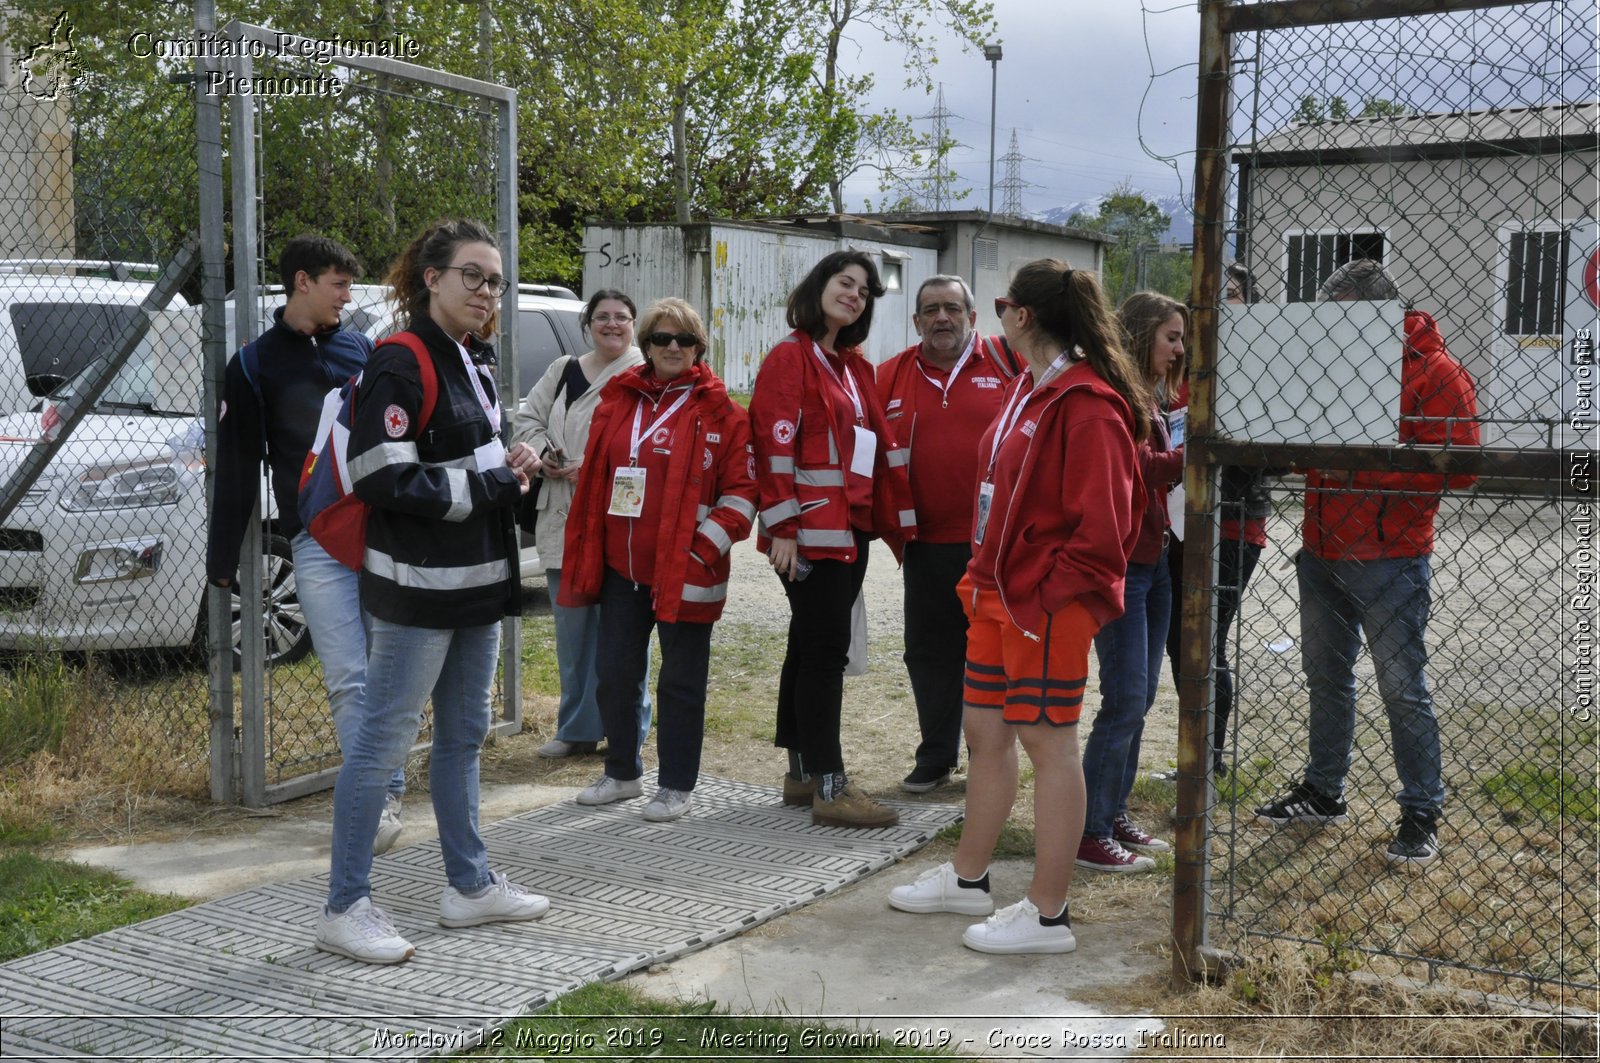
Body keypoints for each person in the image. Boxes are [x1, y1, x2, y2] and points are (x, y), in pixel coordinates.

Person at [888, 259, 1149, 953]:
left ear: (1022, 315)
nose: (996, 313)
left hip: (1042, 604)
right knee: (985, 734)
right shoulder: (1030, 389)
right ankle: (969, 877)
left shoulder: (1088, 402)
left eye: (1002, 302)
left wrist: (1048, 597)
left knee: (1048, 745)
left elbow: (1103, 533)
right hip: (999, 595)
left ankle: (1047, 913)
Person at [316, 219, 548, 964]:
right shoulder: (400, 358)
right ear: (431, 278)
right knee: (383, 745)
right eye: (473, 276)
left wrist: (510, 459)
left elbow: (461, 454)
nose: (487, 292)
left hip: (477, 586)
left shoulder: (471, 358)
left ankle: (469, 886)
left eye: (496, 280)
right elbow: (382, 474)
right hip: (419, 593)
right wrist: (487, 481)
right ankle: (345, 904)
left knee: (462, 737)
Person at [1254, 259, 1478, 867]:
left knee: (1402, 688)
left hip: (1392, 555)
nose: (1330, 330)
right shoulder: (1336, 362)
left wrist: (1359, 465)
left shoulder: (1436, 371)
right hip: (1322, 548)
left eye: (1341, 318)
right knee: (1326, 677)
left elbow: (1462, 464)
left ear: (1377, 313)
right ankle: (1324, 791)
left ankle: (1421, 810)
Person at [205, 234, 407, 856]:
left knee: (386, 668)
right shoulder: (252, 365)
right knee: (348, 674)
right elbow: (238, 463)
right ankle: (374, 803)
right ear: (302, 282)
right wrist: (220, 560)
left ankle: (386, 787)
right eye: (339, 284)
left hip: (380, 531)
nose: (349, 296)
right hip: (314, 540)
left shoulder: (364, 350)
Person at [558, 299, 758, 822]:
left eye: (685, 341)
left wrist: (700, 549)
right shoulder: (618, 400)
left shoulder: (724, 413)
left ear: (699, 349)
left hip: (688, 572)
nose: (673, 348)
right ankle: (622, 772)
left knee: (680, 681)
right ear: (645, 345)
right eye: (662, 339)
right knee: (615, 672)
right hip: (621, 570)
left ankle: (675, 784)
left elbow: (743, 494)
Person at [748, 249, 916, 828]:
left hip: (849, 530)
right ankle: (831, 785)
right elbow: (775, 446)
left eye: (865, 291)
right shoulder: (791, 358)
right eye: (846, 283)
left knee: (809, 646)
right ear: (820, 286)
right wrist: (784, 529)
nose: (855, 295)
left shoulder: (847, 364)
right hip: (809, 536)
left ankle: (801, 775)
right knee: (825, 654)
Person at [876, 275, 1022, 794]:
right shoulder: (889, 376)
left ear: (972, 317)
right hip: (925, 544)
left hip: (999, 546)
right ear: (916, 321)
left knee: (996, 652)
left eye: (953, 308)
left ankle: (992, 758)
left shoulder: (1009, 366)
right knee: (929, 652)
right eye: (932, 310)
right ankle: (936, 756)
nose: (943, 318)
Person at [511, 290, 651, 758]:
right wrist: (542, 455)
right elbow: (527, 419)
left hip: (618, 518)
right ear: (587, 323)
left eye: (622, 317)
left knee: (623, 631)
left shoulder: (644, 374)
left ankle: (628, 728)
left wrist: (592, 465)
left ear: (634, 324)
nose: (612, 325)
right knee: (572, 631)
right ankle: (576, 729)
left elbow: (648, 443)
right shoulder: (563, 369)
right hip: (562, 515)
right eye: (602, 317)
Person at [1075, 291, 1186, 874]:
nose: (1180, 350)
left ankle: (1113, 811)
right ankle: (1089, 831)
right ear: (1144, 336)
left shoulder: (1151, 396)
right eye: (1171, 337)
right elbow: (1136, 470)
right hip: (1125, 565)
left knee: (1140, 698)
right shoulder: (1115, 395)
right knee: (1122, 700)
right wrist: (1191, 456)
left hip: (1156, 557)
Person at [1164, 262, 1272, 777]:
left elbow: (1273, 456)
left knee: (1207, 639)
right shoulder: (1181, 367)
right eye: (1211, 294)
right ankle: (1195, 753)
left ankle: (1209, 757)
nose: (1220, 303)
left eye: (1231, 294)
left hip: (1231, 525)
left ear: (1248, 305)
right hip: (1177, 525)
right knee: (1177, 640)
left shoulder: (1261, 367)